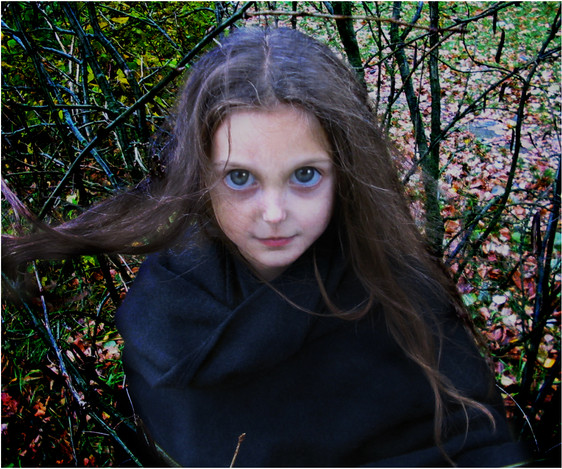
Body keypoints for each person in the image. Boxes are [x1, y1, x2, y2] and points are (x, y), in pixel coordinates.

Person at [3, 28, 527, 466]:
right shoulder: (163, 309)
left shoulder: (397, 293)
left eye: (305, 175)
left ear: (344, 173)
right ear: (201, 177)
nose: (273, 213)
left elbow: (477, 443)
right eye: (239, 178)